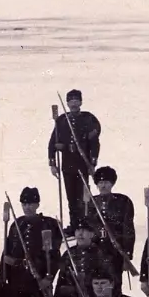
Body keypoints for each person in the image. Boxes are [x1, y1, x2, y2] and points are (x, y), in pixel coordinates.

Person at [0, 187, 61, 297]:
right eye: (24, 203)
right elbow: (7, 251)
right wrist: (3, 273)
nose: (27, 207)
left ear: (37, 204)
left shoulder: (48, 224)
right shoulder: (16, 225)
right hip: (18, 280)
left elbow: (54, 255)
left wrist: (48, 277)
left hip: (38, 281)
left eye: (30, 203)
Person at [48, 88, 102, 221]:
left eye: (76, 100)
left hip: (83, 163)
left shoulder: (88, 118)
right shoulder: (61, 120)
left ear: (81, 102)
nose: (73, 103)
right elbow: (52, 142)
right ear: (67, 103)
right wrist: (53, 163)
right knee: (71, 196)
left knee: (84, 196)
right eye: (71, 100)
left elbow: (94, 142)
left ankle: (84, 223)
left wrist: (93, 163)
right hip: (67, 164)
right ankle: (74, 225)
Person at [86, 166, 136, 275]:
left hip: (116, 251)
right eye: (100, 182)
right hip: (95, 250)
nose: (103, 185)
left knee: (115, 283)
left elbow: (128, 228)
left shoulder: (123, 201)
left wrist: (127, 253)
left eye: (106, 182)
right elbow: (87, 226)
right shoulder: (90, 202)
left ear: (112, 183)